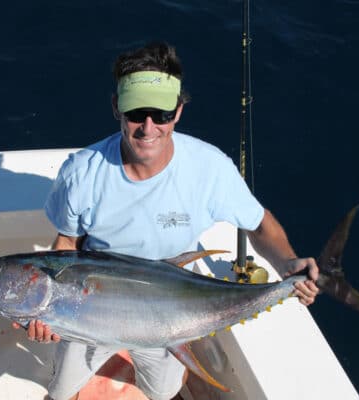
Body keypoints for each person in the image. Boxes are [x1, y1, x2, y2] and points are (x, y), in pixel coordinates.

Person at [20, 42, 319, 400]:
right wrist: (48, 314)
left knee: (162, 393)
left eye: (160, 115)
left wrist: (288, 263)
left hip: (173, 306)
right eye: (136, 113)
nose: (148, 128)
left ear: (178, 111)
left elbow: (259, 224)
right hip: (94, 306)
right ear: (117, 107)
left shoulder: (210, 170)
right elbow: (66, 244)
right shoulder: (82, 173)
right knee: (62, 390)